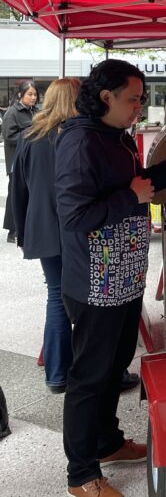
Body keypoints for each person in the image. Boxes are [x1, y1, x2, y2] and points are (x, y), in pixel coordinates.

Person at [54, 60, 166, 497]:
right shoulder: (80, 142)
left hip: (124, 274)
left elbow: (137, 184)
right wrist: (130, 198)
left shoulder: (114, 135)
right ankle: (81, 474)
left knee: (114, 366)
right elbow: (74, 215)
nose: (139, 107)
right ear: (106, 97)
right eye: (133, 99)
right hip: (96, 281)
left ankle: (107, 441)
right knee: (90, 376)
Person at [12, 79, 80, 393]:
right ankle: (87, 369)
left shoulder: (30, 135)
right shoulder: (77, 136)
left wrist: (21, 230)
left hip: (41, 227)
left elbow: (18, 187)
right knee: (85, 300)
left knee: (56, 296)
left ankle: (56, 374)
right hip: (76, 229)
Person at [3, 80, 39, 242]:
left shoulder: (36, 111)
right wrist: (31, 135)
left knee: (29, 194)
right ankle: (12, 231)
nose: (33, 97)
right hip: (16, 162)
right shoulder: (12, 113)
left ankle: (25, 227)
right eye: (29, 94)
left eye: (35, 94)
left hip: (31, 160)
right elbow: (9, 137)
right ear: (20, 95)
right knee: (15, 195)